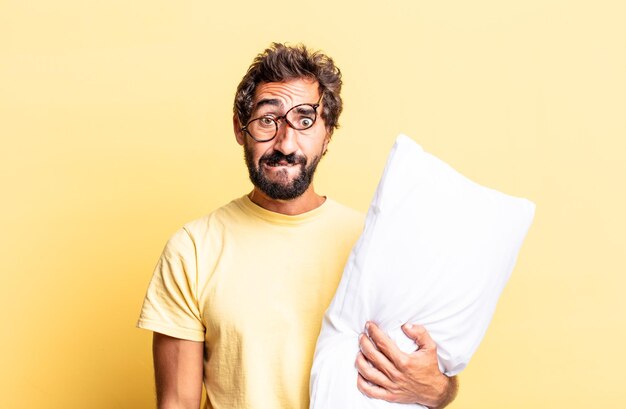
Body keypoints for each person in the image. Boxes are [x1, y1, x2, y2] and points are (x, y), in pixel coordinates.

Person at [137, 42, 458, 409]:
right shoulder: (192, 249)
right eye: (267, 120)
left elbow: (429, 379)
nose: (286, 142)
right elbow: (177, 403)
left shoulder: (374, 245)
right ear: (240, 130)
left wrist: (437, 389)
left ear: (327, 135)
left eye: (305, 121)